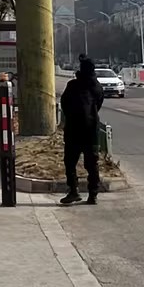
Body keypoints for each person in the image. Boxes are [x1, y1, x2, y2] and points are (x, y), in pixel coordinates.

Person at [59, 54, 105, 205]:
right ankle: (93, 194)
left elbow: (64, 103)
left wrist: (72, 116)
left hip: (74, 130)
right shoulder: (97, 87)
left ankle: (73, 191)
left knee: (70, 162)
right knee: (92, 164)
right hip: (92, 130)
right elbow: (98, 104)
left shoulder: (73, 85)